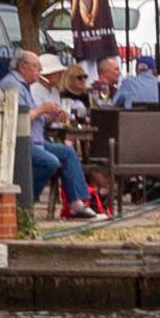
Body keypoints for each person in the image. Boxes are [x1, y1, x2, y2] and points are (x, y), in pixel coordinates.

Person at [14, 56, 96, 224]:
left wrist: (55, 116)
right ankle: (27, 199)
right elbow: (28, 116)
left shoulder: (53, 91)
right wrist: (44, 110)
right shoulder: (35, 90)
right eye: (57, 73)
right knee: (51, 161)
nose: (60, 76)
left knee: (67, 152)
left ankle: (76, 202)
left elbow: (42, 119)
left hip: (39, 138)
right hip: (30, 140)